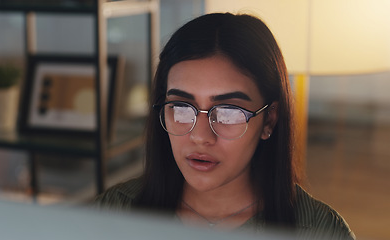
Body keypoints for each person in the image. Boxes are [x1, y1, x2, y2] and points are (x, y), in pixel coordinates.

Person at [96, 13, 355, 239]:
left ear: (269, 119)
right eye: (182, 107)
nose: (200, 136)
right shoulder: (113, 214)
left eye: (229, 112)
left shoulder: (320, 231)